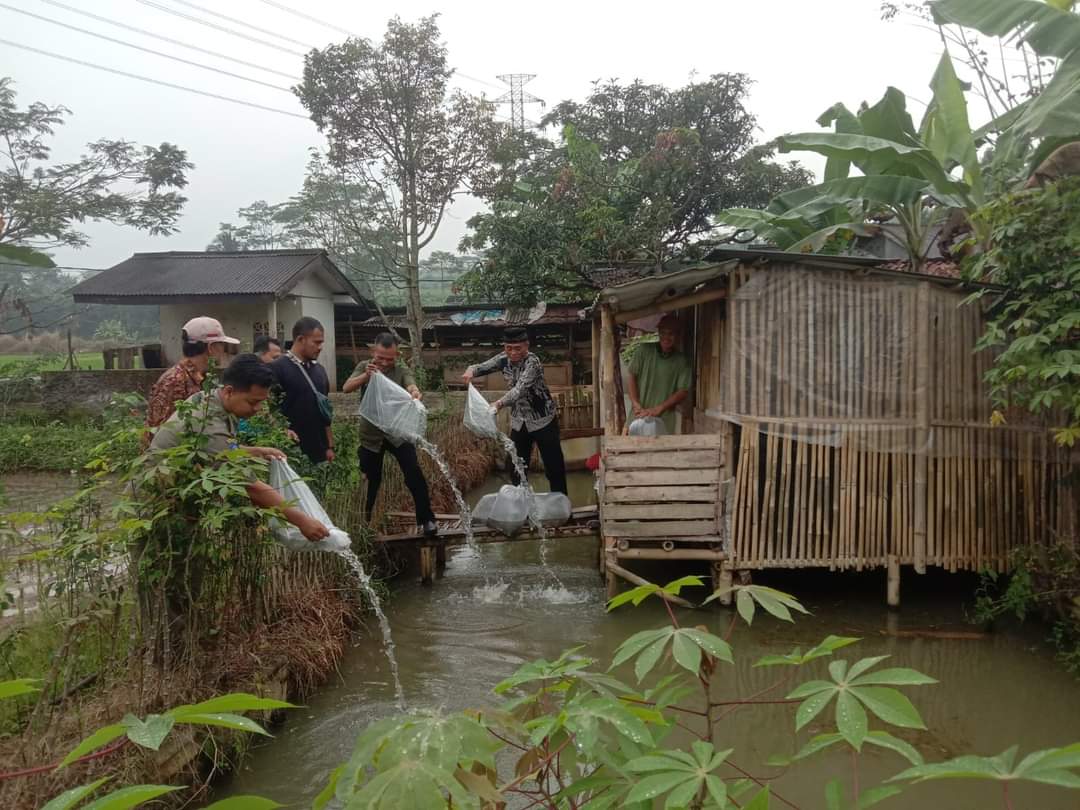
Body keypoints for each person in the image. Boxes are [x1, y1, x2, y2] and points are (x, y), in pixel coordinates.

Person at [149, 354, 331, 543]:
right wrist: (302, 520)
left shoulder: (211, 400)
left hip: (175, 504)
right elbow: (250, 486)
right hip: (155, 508)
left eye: (262, 402)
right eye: (253, 402)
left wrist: (256, 451)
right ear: (229, 391)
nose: (258, 408)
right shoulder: (207, 420)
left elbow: (224, 448)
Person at [343, 332, 437, 537]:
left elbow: (410, 383)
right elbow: (346, 388)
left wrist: (414, 391)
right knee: (370, 481)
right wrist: (365, 376)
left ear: (398, 355)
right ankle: (364, 525)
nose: (385, 362)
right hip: (371, 436)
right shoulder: (364, 367)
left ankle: (427, 520)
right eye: (381, 357)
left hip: (397, 433)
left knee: (414, 474)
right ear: (373, 352)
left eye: (390, 358)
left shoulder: (401, 368)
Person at [463, 327, 567, 495]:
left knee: (554, 467)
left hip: (543, 420)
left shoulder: (533, 362)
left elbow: (519, 390)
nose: (513, 353)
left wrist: (498, 404)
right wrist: (471, 370)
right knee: (515, 466)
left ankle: (563, 504)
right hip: (520, 421)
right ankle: (521, 504)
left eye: (518, 348)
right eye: (508, 348)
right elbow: (483, 367)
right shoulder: (504, 358)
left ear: (527, 345)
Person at [144, 316, 239, 442]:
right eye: (221, 345)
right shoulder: (175, 381)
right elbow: (161, 434)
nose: (223, 351)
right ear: (211, 348)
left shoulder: (202, 378)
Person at [269, 317, 334, 465]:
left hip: (319, 452)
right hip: (290, 452)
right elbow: (267, 409)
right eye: (316, 342)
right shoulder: (277, 369)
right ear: (300, 339)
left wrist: (329, 446)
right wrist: (281, 431)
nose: (320, 347)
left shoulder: (320, 371)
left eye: (321, 342)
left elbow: (325, 413)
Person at [627, 314, 692, 435]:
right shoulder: (644, 350)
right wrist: (635, 402)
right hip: (638, 416)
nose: (666, 337)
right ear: (658, 332)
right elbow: (631, 375)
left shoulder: (682, 361)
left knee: (661, 452)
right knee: (631, 450)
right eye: (663, 332)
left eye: (671, 334)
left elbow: (683, 391)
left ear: (678, 335)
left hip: (664, 421)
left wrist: (659, 408)